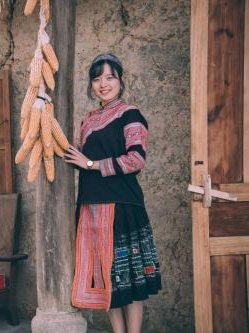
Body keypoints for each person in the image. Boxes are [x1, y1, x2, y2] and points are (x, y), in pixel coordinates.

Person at [64, 54, 162, 333]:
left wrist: (91, 164)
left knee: (128, 278)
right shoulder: (88, 120)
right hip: (91, 206)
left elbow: (136, 160)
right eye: (97, 78)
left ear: (120, 81)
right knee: (108, 279)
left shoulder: (130, 114)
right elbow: (77, 156)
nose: (103, 84)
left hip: (122, 205)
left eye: (110, 77)